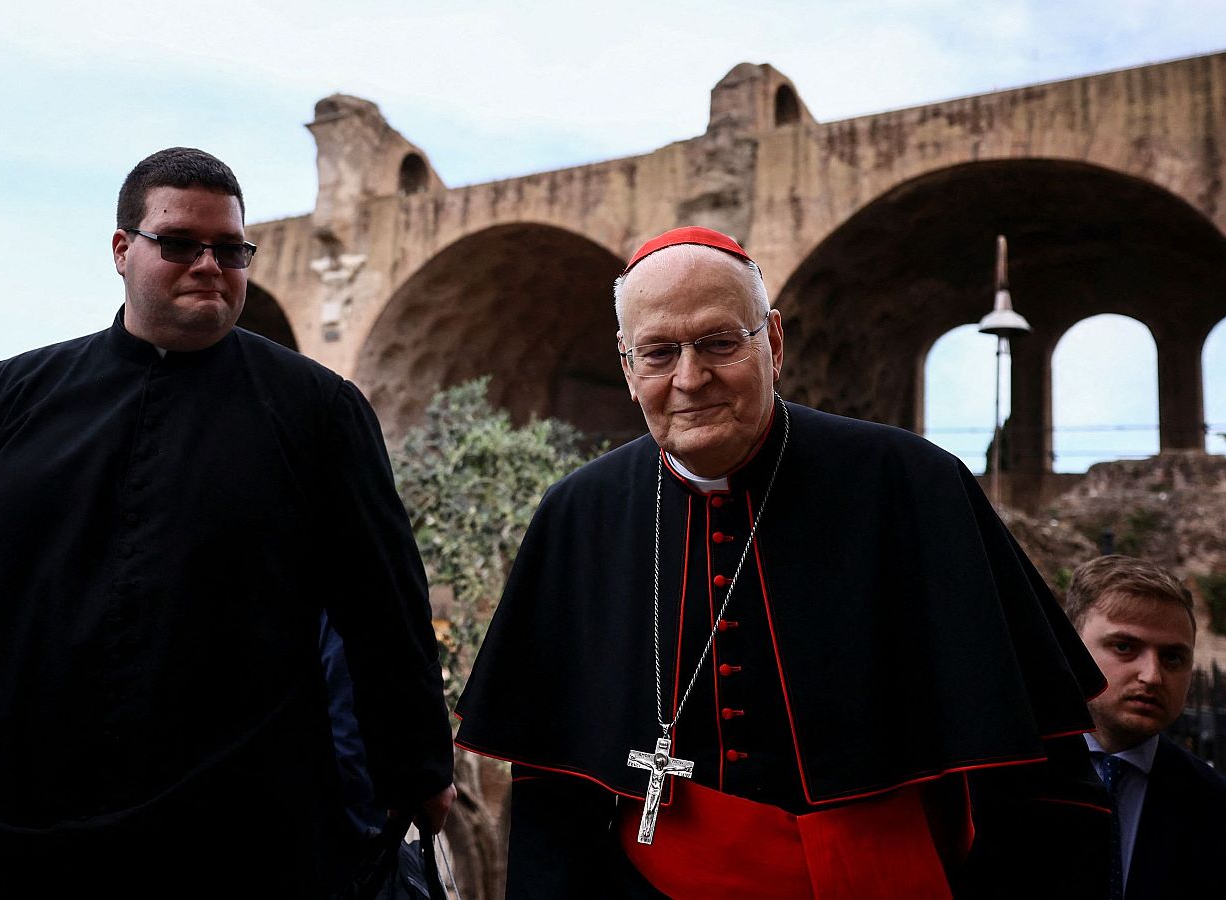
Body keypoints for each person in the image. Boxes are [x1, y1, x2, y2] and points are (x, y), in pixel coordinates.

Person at [0, 147, 455, 897]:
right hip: (4, 811)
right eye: (180, 243)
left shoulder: (321, 413)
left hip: (235, 832)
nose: (210, 264)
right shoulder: (7, 398)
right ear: (122, 250)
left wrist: (416, 769)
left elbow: (383, 609)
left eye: (231, 249)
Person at [454, 226, 1109, 898]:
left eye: (718, 342)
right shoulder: (576, 516)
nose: (689, 378)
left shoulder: (915, 485)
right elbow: (552, 794)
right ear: (627, 368)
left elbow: (1042, 777)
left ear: (773, 342)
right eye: (658, 352)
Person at [1063, 555, 1226, 899]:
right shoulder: (992, 785)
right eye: (1124, 647)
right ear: (1069, 649)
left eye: (1173, 658)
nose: (1152, 676)